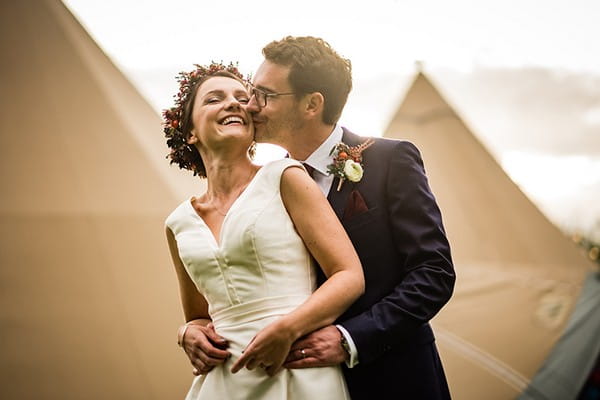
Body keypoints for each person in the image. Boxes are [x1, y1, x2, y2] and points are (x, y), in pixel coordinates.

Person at [181, 37, 456, 399]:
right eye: (252, 91)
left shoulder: (390, 161)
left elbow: (433, 274)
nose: (251, 105)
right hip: (291, 383)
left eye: (265, 95)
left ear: (312, 104)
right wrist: (191, 329)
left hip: (391, 378)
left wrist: (350, 338)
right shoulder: (264, 187)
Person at [163, 62, 364, 399]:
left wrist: (289, 329)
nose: (233, 103)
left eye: (243, 98)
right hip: (222, 382)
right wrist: (187, 333)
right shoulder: (178, 223)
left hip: (295, 371)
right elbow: (200, 317)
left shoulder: (285, 177)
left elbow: (349, 274)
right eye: (214, 99)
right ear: (190, 132)